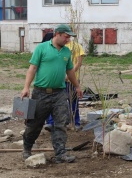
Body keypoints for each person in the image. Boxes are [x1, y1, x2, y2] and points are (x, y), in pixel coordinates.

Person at [20, 24, 83, 163]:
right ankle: (27, 149)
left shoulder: (67, 52)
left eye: (69, 38)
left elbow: (70, 71)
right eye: (66, 37)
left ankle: (60, 153)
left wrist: (77, 86)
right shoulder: (42, 48)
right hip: (40, 93)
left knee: (61, 123)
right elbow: (33, 68)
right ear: (58, 34)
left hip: (59, 93)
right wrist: (26, 87)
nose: (68, 40)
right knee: (35, 124)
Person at [44, 39, 85, 131]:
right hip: (57, 80)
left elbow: (79, 63)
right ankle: (51, 123)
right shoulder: (56, 46)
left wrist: (69, 74)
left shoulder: (77, 46)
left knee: (73, 102)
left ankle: (75, 122)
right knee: (53, 101)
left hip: (72, 80)